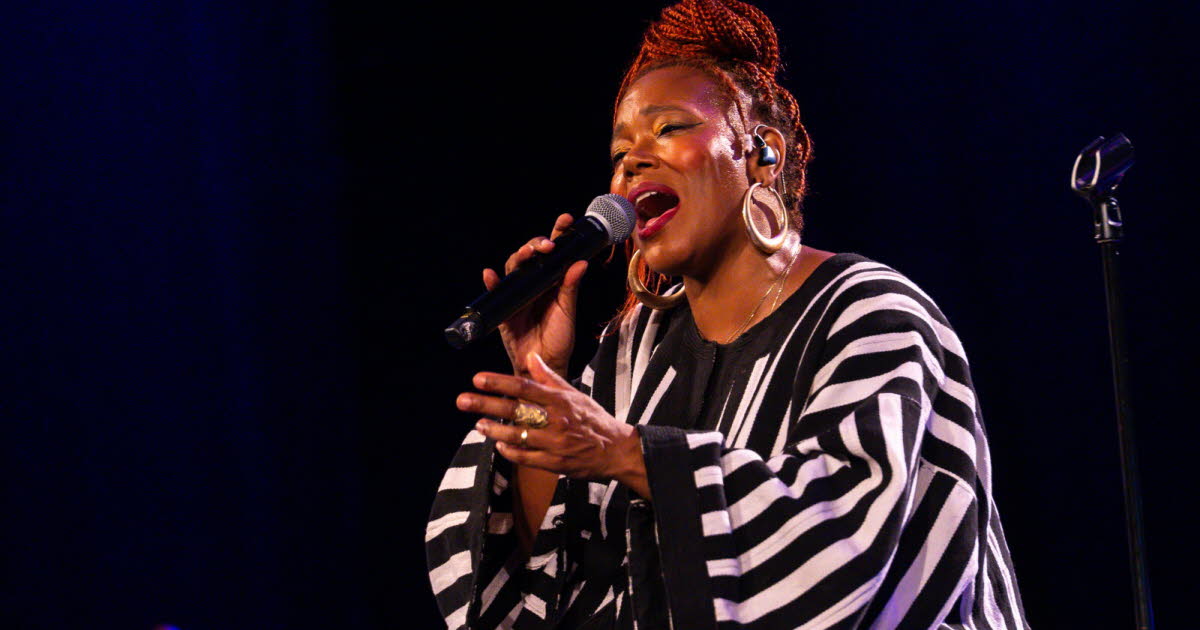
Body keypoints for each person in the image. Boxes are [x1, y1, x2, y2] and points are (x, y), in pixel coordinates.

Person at [427, 0, 1030, 628]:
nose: (631, 161)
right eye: (619, 151)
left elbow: (848, 537)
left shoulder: (872, 313)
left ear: (760, 150)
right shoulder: (633, 357)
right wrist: (537, 380)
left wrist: (630, 452)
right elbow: (557, 571)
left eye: (668, 129)